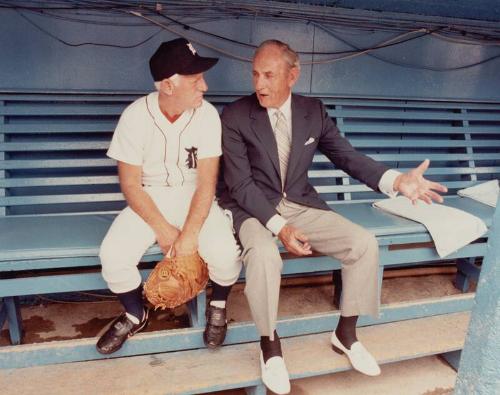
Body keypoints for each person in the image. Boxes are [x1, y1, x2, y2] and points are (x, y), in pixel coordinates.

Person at [217, 39, 447, 394]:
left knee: (363, 243)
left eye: (268, 75)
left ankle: (346, 333)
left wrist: (397, 180)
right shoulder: (234, 115)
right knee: (264, 255)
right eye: (255, 74)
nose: (259, 84)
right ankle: (270, 346)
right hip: (250, 207)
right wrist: (280, 228)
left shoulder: (312, 111)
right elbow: (240, 184)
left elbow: (347, 157)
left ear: (292, 76)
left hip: (298, 204)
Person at [96, 38, 241, 355]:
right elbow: (132, 185)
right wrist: (162, 230)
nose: (204, 85)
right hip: (150, 197)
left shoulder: (207, 115)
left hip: (194, 194)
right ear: (168, 86)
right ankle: (136, 313)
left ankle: (218, 304)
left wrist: (189, 236)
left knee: (226, 255)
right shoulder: (135, 116)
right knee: (113, 255)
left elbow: (206, 183)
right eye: (195, 79)